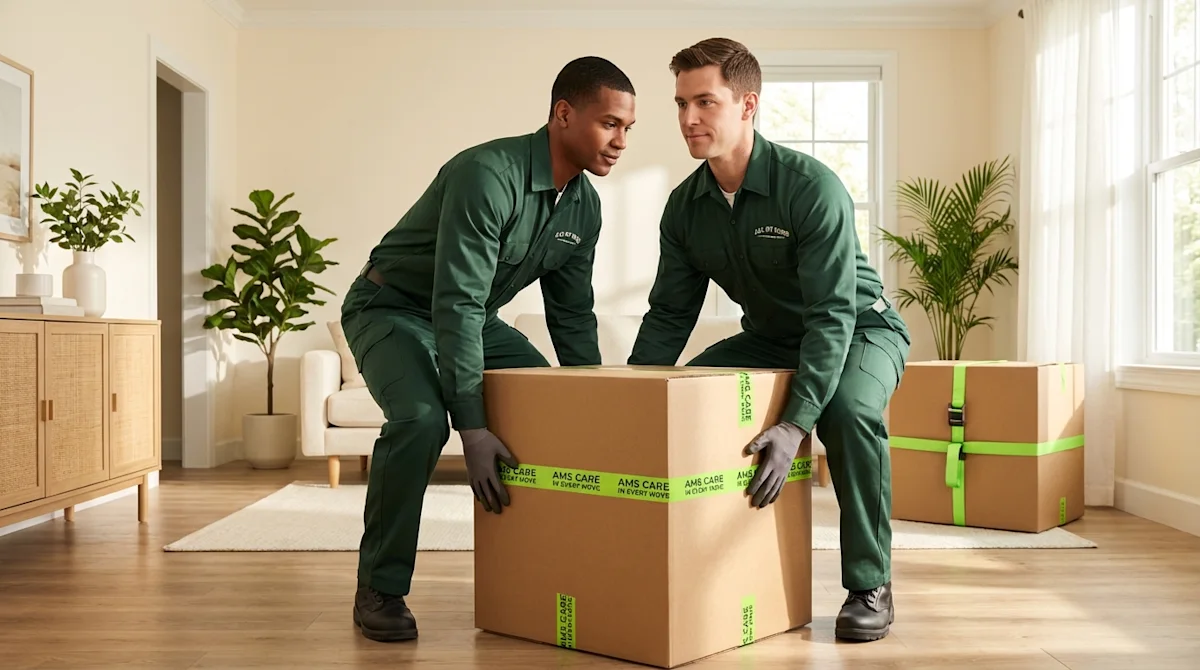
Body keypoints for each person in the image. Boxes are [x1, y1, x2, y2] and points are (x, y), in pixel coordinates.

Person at [342, 56, 636, 643]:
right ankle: (381, 586)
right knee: (423, 421)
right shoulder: (488, 173)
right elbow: (455, 303)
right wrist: (471, 429)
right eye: (609, 124)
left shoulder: (585, 206)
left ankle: (534, 578)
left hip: (477, 318)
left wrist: (595, 409)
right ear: (563, 113)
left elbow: (572, 316)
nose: (621, 141)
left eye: (629, 128)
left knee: (544, 402)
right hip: (392, 307)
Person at [627, 38, 910, 642]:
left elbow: (832, 314)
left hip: (860, 327)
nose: (688, 119)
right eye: (680, 104)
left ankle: (870, 583)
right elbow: (669, 314)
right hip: (771, 338)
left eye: (705, 102)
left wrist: (794, 422)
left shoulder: (810, 187)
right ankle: (709, 564)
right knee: (692, 391)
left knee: (851, 410)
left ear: (748, 104)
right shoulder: (684, 207)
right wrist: (632, 395)